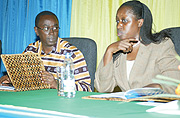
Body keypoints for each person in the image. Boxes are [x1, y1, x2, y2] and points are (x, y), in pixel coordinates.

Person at [94, 0, 180, 94]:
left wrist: (157, 87)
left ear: (140, 23)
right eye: (117, 21)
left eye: (124, 21)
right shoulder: (118, 52)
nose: (119, 26)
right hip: (127, 106)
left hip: (154, 105)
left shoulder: (161, 46)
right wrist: (109, 51)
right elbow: (103, 88)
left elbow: (174, 83)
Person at [0, 11, 92, 92]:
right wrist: (11, 79)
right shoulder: (31, 50)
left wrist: (57, 85)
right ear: (37, 31)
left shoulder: (72, 53)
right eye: (46, 28)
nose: (52, 32)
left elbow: (87, 88)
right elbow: (24, 81)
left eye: (55, 28)